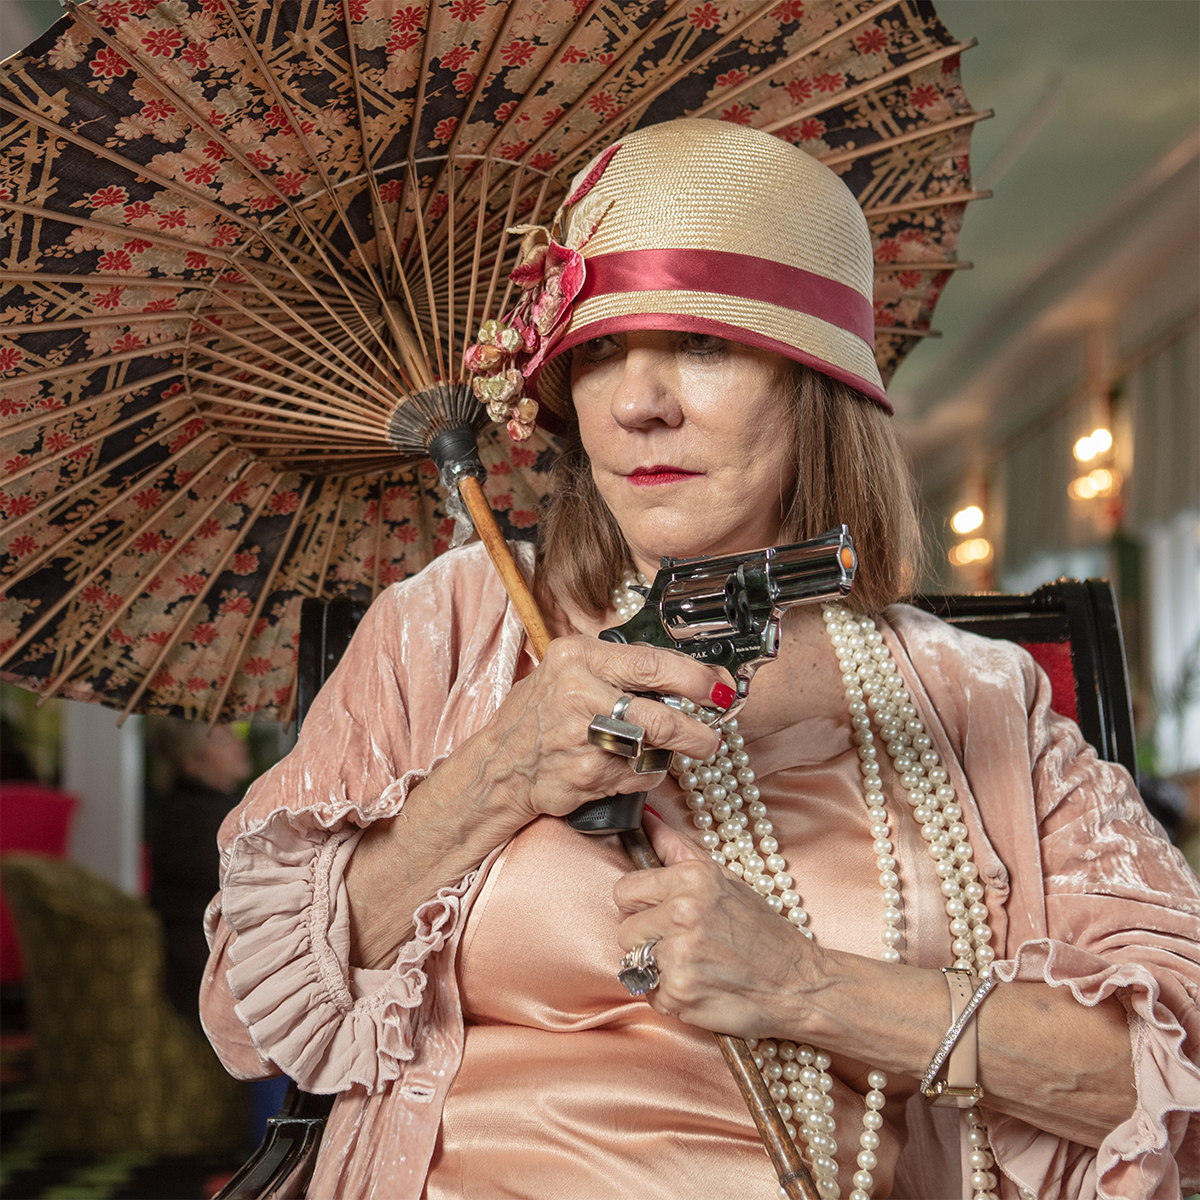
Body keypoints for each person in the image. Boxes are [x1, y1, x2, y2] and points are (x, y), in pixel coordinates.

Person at [199, 120, 1200, 1200]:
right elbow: (247, 1020)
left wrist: (809, 989)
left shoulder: (977, 693)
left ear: (815, 385)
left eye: (704, 345)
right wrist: (495, 778)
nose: (638, 405)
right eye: (596, 354)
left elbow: (1155, 1077)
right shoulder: (450, 625)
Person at [145, 718, 251, 1022]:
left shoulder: (217, 810)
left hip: (225, 957)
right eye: (222, 741)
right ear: (192, 763)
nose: (239, 745)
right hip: (206, 969)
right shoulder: (192, 821)